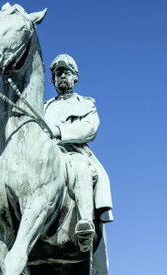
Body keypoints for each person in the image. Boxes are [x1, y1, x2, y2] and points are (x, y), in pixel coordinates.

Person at [44, 53, 113, 251]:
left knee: (82, 168)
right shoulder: (44, 107)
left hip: (71, 153)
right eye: (58, 74)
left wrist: (59, 131)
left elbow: (89, 128)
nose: (61, 76)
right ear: (53, 80)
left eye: (66, 72)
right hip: (45, 153)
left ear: (75, 78)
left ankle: (84, 224)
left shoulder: (85, 103)